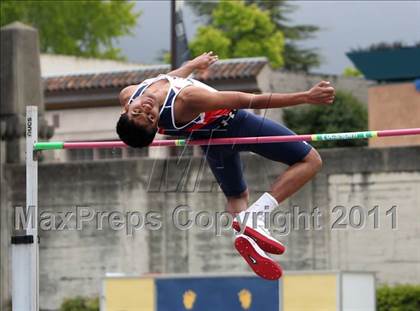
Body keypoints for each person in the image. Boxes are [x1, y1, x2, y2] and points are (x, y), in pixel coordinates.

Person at [116, 52, 335, 280]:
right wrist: (306, 97)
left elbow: (164, 81)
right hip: (236, 125)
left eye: (140, 111)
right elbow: (249, 100)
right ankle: (255, 216)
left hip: (209, 141)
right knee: (311, 161)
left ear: (126, 108)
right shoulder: (188, 100)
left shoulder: (130, 93)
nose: (147, 108)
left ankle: (247, 237)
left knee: (237, 195)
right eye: (151, 118)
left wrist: (191, 65)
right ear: (156, 126)